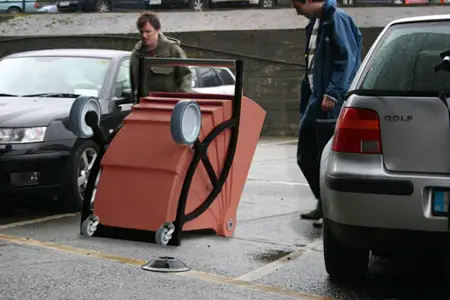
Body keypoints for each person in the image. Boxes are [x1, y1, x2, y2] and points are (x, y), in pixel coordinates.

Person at [292, 0, 362, 225]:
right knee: (307, 155)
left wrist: (333, 92)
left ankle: (330, 209)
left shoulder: (336, 19)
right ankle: (324, 204)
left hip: (328, 100)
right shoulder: (317, 22)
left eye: (297, 5)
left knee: (323, 155)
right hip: (317, 97)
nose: (296, 10)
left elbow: (346, 59)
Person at [129, 11, 193, 102]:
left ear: (158, 30)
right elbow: (134, 86)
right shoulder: (136, 55)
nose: (144, 35)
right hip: (145, 108)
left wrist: (182, 102)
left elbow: (185, 77)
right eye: (141, 32)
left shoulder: (172, 50)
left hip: (169, 106)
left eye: (148, 31)